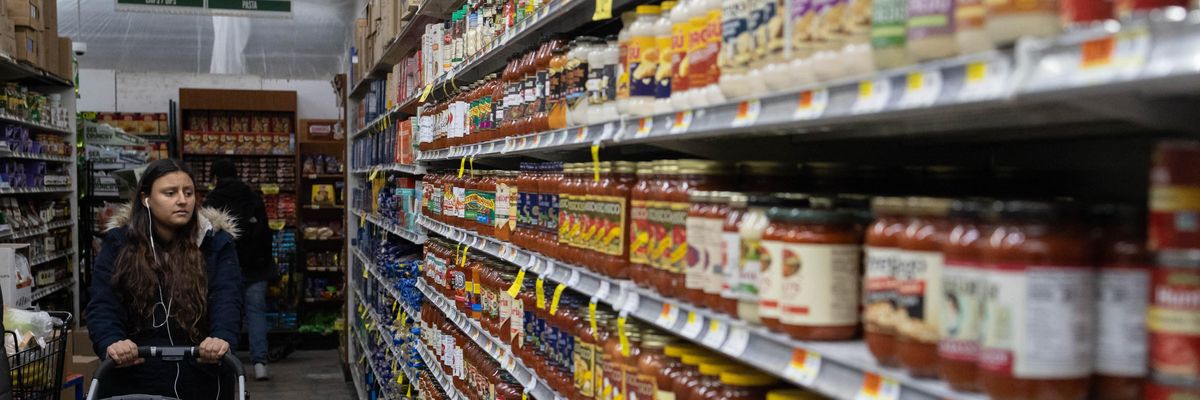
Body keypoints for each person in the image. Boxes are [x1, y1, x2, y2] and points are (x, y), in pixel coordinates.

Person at [86, 159, 243, 400]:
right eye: (170, 193)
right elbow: (103, 302)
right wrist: (112, 341)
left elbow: (227, 297)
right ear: (145, 198)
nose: (182, 200)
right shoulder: (119, 244)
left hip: (201, 376)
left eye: (188, 193)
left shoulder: (216, 244)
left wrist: (221, 338)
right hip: (134, 376)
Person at [202, 159, 277, 381]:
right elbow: (265, 232)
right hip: (256, 266)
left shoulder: (212, 200)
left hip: (223, 268)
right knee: (256, 313)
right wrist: (264, 259)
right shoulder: (252, 197)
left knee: (224, 313)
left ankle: (226, 363)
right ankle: (260, 363)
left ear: (216, 177)